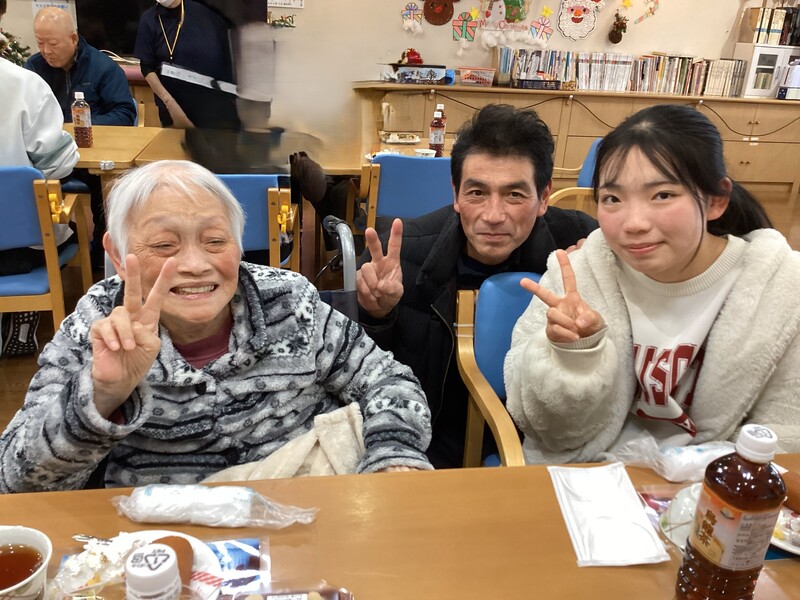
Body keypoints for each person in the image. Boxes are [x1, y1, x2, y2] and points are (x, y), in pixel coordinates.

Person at [0, 160, 432, 492]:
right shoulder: (96, 325)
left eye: (215, 241)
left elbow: (387, 380)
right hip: (166, 538)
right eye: (164, 245)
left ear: (239, 245)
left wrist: (393, 456)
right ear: (116, 253)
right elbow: (15, 479)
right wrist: (101, 395)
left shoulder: (289, 301)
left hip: (305, 511)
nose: (194, 264)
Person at [505, 104, 800, 465]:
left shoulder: (782, 289)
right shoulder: (578, 275)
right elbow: (543, 426)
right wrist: (574, 356)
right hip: (589, 476)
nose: (634, 223)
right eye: (612, 199)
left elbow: (787, 432)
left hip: (713, 482)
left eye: (662, 195)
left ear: (716, 199)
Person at [356, 104, 598, 469]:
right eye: (476, 193)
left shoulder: (580, 243)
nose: (493, 215)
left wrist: (595, 274)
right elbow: (365, 376)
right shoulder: (402, 252)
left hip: (540, 444)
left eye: (515, 195)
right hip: (433, 443)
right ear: (456, 194)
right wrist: (377, 315)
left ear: (544, 197)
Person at [26, 6, 136, 268]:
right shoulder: (33, 68)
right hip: (51, 155)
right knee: (27, 178)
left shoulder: (102, 67)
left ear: (73, 39)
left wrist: (77, 128)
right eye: (40, 43)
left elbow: (124, 113)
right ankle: (40, 246)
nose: (46, 51)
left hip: (94, 156)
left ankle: (102, 248)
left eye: (53, 44)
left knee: (105, 188)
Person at [0, 0, 80, 356]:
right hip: (19, 245)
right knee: (56, 217)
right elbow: (58, 164)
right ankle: (24, 314)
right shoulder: (23, 84)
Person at [134, 0, 239, 130]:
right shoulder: (149, 19)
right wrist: (169, 102)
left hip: (210, 105)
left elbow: (223, 59)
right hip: (170, 107)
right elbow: (146, 67)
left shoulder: (204, 14)